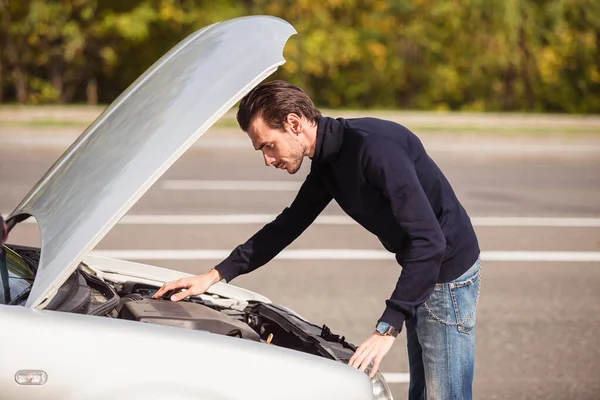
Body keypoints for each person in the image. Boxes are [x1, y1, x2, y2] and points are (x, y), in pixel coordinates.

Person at [153, 80, 481, 399]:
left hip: (446, 275)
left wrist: (387, 328)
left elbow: (430, 242)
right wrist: (213, 276)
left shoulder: (373, 149)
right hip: (421, 271)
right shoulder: (328, 162)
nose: (268, 159)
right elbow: (288, 224)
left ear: (294, 124)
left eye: (268, 144)